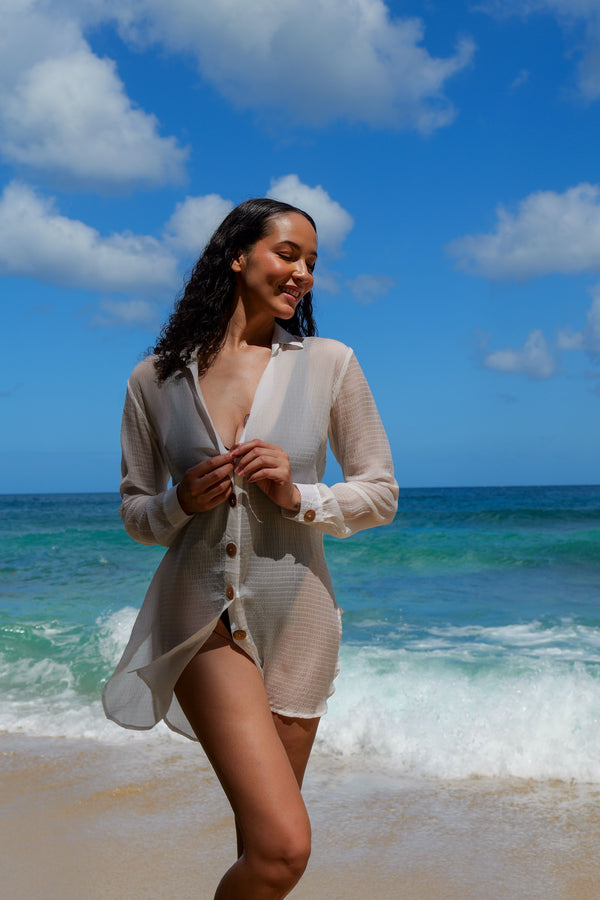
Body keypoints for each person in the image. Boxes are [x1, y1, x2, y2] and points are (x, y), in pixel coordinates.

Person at [102, 198, 398, 899]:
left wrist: (300, 497)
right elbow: (135, 511)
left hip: (301, 621)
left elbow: (380, 492)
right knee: (287, 847)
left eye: (312, 263)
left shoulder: (330, 363)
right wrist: (181, 502)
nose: (303, 274)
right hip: (201, 619)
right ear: (237, 256)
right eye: (288, 254)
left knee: (260, 848)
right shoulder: (155, 380)